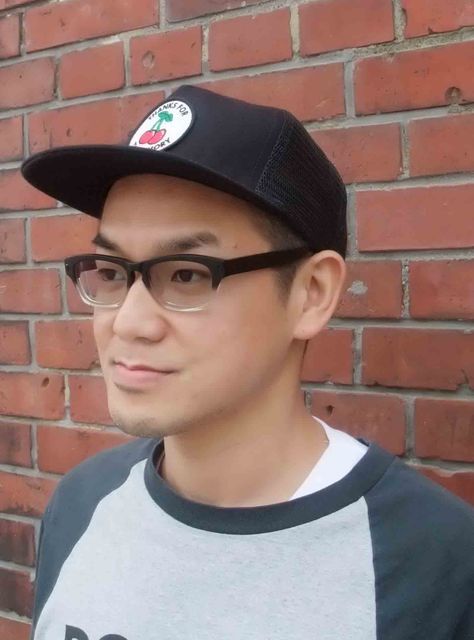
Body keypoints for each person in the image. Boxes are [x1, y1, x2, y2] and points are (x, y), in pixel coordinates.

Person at [22, 85, 473, 640]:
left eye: (186, 274)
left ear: (311, 294)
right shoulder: (82, 504)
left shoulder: (434, 563)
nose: (129, 322)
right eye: (112, 272)